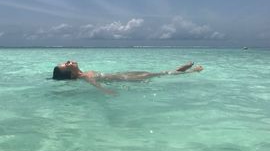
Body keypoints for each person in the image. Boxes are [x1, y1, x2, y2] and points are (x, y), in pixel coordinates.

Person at [52, 60, 203, 95]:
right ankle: (190, 72)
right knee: (157, 74)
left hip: (123, 75)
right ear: (71, 72)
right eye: (67, 64)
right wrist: (107, 91)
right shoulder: (84, 76)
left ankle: (178, 71)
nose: (69, 61)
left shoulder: (83, 74)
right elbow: (94, 83)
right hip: (123, 78)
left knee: (156, 73)